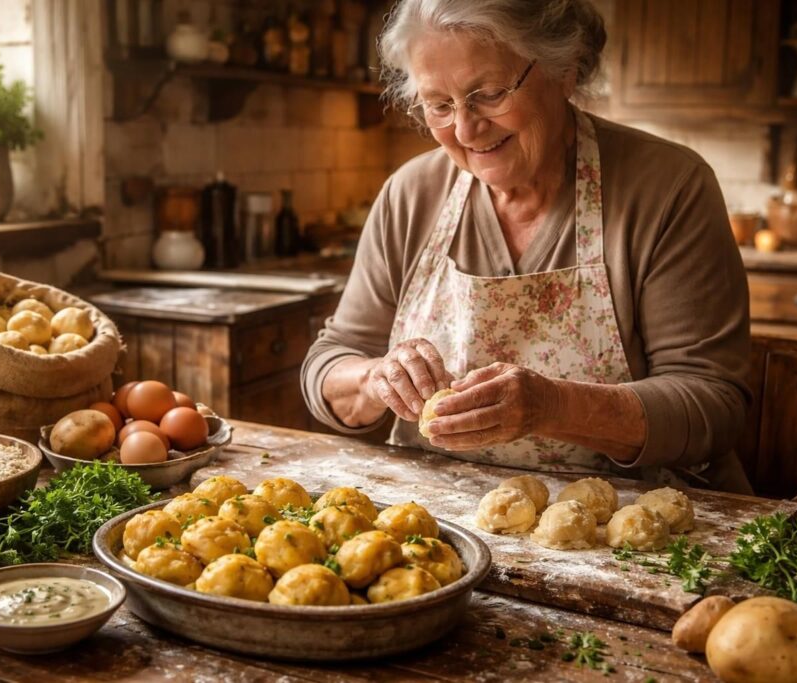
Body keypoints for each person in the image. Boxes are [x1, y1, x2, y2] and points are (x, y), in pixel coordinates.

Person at [301, 0, 752, 492]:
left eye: (489, 94)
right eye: (439, 105)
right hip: (438, 521)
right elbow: (330, 363)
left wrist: (552, 408)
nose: (466, 129)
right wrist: (375, 379)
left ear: (565, 70)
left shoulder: (667, 186)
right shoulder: (411, 194)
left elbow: (712, 404)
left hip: (631, 520)